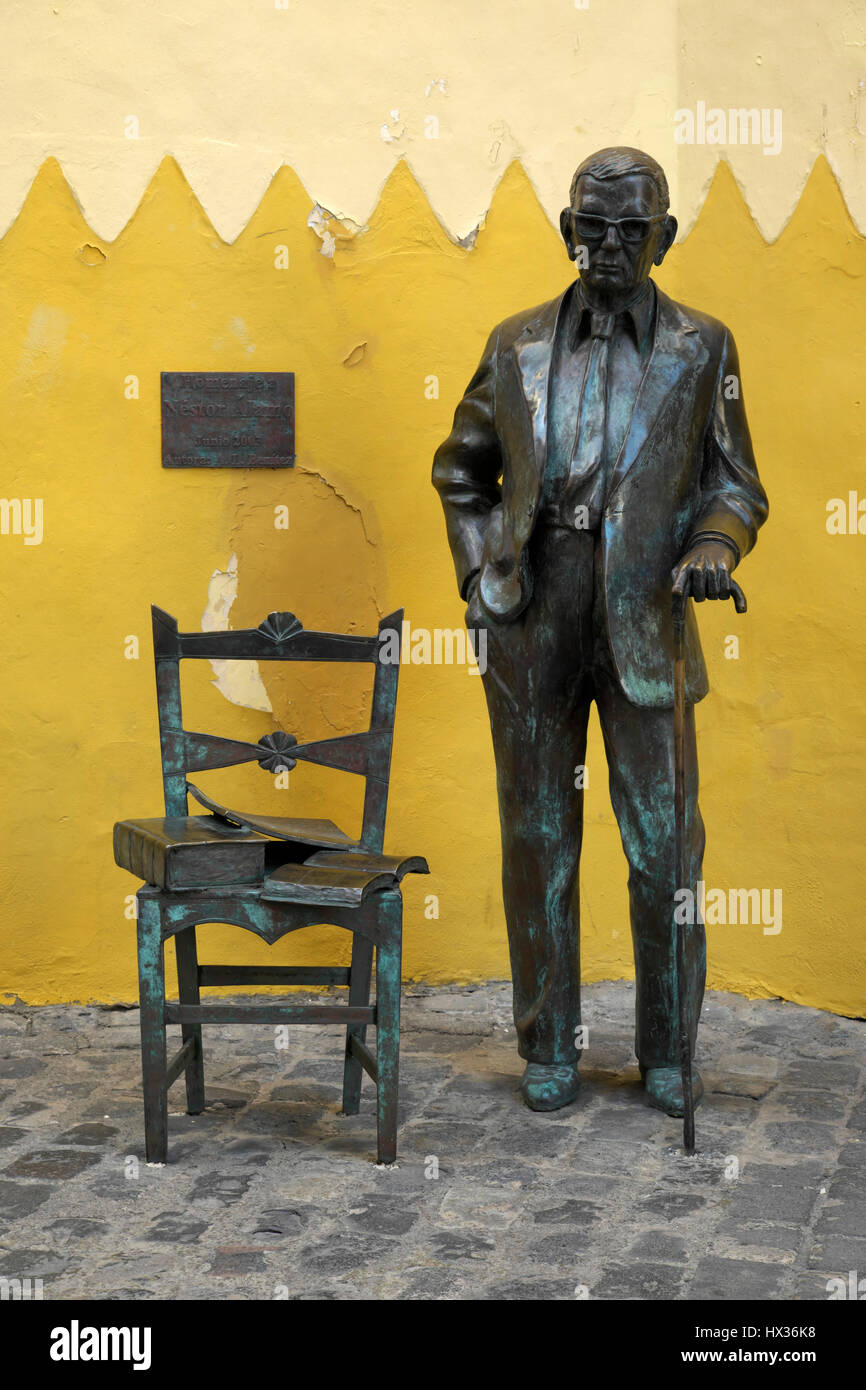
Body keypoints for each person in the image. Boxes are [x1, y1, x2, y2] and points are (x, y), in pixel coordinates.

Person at [432, 147, 768, 1117]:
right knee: (537, 842)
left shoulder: (703, 349)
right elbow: (461, 472)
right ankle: (547, 1045)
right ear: (566, 230)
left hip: (645, 616)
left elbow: (733, 482)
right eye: (592, 225)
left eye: (631, 228)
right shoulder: (515, 345)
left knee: (664, 849)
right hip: (533, 613)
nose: (610, 245)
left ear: (662, 236)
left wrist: (712, 545)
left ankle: (666, 1050)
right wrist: (481, 571)